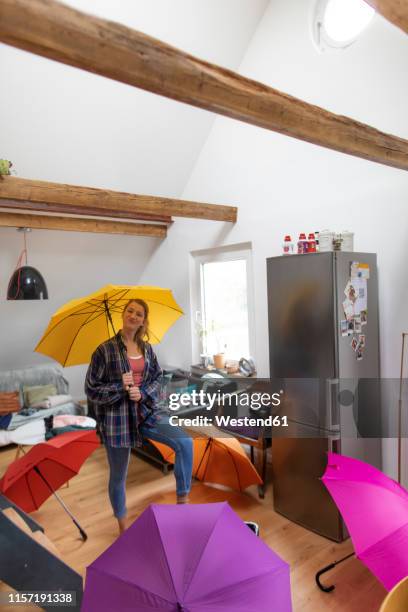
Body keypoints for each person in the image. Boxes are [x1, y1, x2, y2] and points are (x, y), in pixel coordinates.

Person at [85, 299, 193, 534]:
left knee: (185, 443)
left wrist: (141, 393)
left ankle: (183, 506)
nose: (134, 316)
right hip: (118, 422)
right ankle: (123, 527)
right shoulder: (104, 350)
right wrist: (118, 387)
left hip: (147, 414)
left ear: (144, 320)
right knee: (118, 476)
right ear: (123, 315)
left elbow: (158, 379)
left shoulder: (147, 349)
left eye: (139, 313)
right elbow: (91, 390)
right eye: (130, 311)